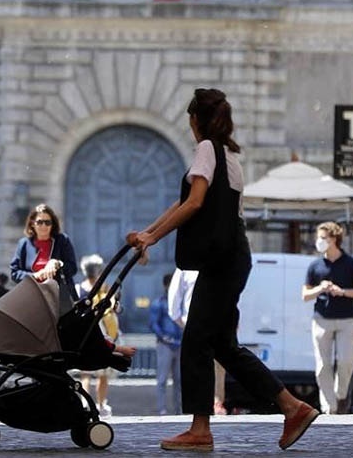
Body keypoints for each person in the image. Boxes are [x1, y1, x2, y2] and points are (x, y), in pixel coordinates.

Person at [127, 88, 319, 452]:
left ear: (196, 120)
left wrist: (151, 239)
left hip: (223, 260)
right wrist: (148, 233)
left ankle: (200, 430)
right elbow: (183, 201)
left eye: (190, 120)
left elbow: (195, 202)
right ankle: (292, 407)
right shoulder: (228, 154)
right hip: (234, 255)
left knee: (197, 339)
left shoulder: (206, 149)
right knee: (223, 346)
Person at [302, 221, 353, 415]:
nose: (319, 241)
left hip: (346, 319)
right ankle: (329, 407)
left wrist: (343, 292)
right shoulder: (315, 266)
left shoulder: (351, 264)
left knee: (346, 360)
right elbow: (305, 295)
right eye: (319, 238)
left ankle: (341, 396)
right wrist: (320, 288)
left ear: (334, 240)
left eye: (323, 238)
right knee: (323, 364)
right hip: (321, 319)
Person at [167, 268, 228, 415]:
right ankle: (202, 406)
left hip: (219, 323)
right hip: (196, 324)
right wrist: (185, 323)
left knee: (218, 366)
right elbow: (174, 301)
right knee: (199, 366)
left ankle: (216, 402)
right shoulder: (184, 268)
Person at [76, 254, 122, 418]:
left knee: (86, 373)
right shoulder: (105, 288)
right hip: (105, 334)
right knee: (102, 373)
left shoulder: (79, 288)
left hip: (86, 332)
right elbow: (117, 309)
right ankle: (101, 404)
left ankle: (84, 404)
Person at [9, 203, 79, 308]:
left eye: (47, 222)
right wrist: (35, 276)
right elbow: (15, 273)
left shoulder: (62, 241)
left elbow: (72, 268)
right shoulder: (24, 244)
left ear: (53, 224)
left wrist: (57, 264)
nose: (43, 226)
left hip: (59, 300)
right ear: (32, 223)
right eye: (39, 222)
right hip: (32, 300)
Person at [151, 273, 182, 415]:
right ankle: (161, 409)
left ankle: (179, 409)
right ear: (166, 285)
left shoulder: (181, 302)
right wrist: (164, 337)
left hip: (180, 344)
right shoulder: (159, 302)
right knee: (162, 379)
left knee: (179, 380)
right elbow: (153, 324)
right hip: (165, 345)